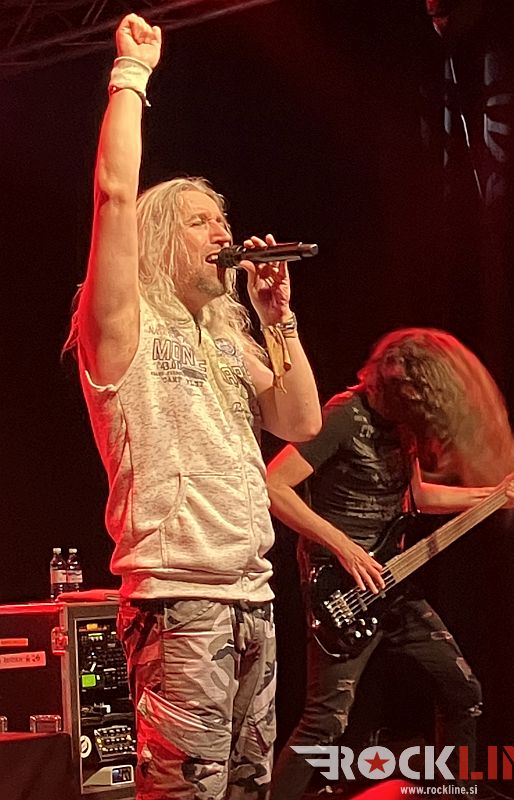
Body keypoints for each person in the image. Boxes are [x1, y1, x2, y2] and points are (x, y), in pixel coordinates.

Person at [64, 13, 321, 800]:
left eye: (225, 219)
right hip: (180, 601)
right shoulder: (124, 324)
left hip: (252, 595)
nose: (224, 232)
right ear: (159, 239)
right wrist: (131, 75)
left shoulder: (224, 336)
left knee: (247, 788)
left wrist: (278, 318)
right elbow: (114, 196)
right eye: (202, 220)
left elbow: (301, 423)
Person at [267, 328, 514, 799]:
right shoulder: (343, 417)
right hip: (340, 590)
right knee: (325, 721)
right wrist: (345, 547)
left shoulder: (403, 424)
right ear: (393, 387)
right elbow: (274, 484)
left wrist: (494, 495)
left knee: (463, 692)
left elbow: (418, 497)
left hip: (391, 581)